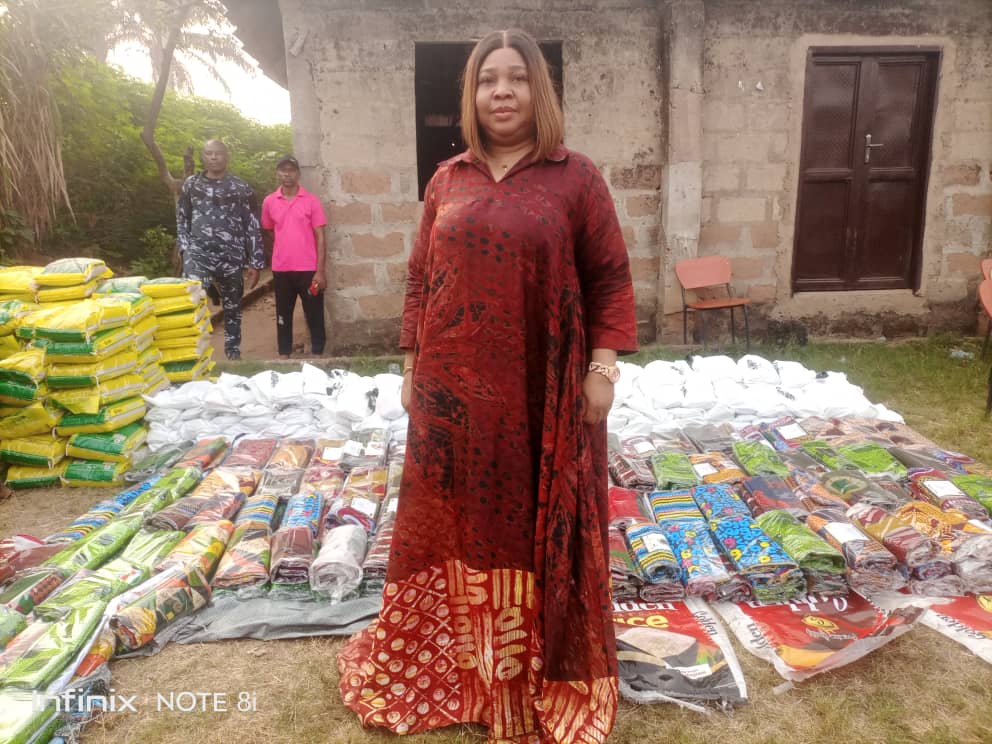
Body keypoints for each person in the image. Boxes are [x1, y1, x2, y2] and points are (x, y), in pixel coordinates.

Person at [338, 29, 637, 744]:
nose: (501, 92)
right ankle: (458, 671)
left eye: (517, 78)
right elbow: (419, 278)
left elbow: (610, 279)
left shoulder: (576, 177)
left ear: (540, 90)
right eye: (487, 80)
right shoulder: (449, 180)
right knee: (458, 522)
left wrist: (603, 367)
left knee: (532, 523)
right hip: (452, 400)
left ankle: (529, 669)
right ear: (471, 95)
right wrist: (410, 367)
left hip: (543, 394)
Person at [176, 139, 264, 360]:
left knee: (233, 307)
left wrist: (255, 261)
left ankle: (233, 355)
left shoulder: (240, 188)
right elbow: (182, 218)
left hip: (230, 256)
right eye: (209, 153)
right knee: (193, 302)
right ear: (203, 157)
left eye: (218, 153)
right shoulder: (191, 185)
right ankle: (193, 354)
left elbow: (252, 225)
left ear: (226, 157)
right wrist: (185, 249)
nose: (213, 157)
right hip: (198, 254)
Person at [260, 155, 328, 358]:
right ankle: (284, 356)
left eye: (291, 170)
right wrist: (285, 246)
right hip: (282, 269)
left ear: (298, 173)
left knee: (314, 314)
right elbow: (270, 230)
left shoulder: (311, 201)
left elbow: (321, 237)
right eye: (283, 170)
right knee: (283, 314)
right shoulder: (269, 201)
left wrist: (320, 271)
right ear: (277, 173)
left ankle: (318, 356)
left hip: (309, 269)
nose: (287, 174)